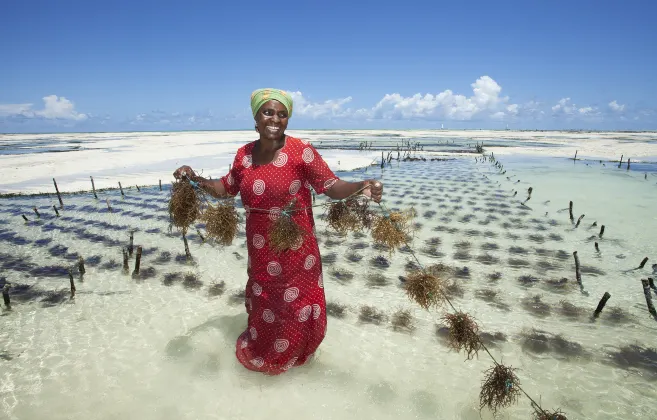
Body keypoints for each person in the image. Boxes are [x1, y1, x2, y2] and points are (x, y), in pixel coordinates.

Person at [173, 88, 383, 375]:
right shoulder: (244, 156)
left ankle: (297, 357)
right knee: (267, 300)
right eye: (268, 112)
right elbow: (225, 188)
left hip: (297, 251)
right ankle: (266, 352)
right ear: (256, 118)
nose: (275, 119)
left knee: (296, 302)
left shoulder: (301, 152)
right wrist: (194, 178)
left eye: (282, 114)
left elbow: (331, 186)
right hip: (260, 251)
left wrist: (362, 185)